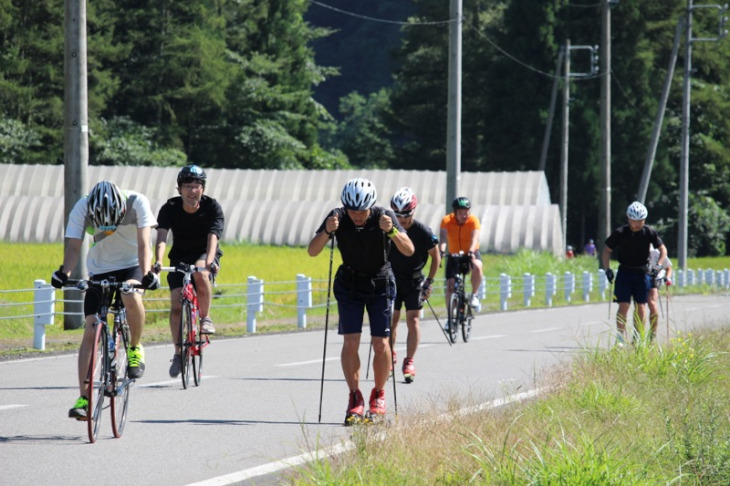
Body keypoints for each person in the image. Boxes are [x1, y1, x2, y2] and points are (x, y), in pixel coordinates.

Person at [307, 178, 414, 425]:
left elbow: (408, 250)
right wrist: (327, 231)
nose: (357, 216)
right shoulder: (337, 216)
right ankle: (355, 397)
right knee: (351, 342)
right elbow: (313, 251)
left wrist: (392, 231)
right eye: (352, 211)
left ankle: (379, 393)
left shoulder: (384, 216)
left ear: (371, 206)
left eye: (362, 211)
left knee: (380, 343)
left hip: (380, 283)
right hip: (350, 284)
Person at [51, 181, 159, 420]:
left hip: (133, 265)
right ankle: (84, 398)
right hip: (100, 269)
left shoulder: (137, 202)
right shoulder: (82, 207)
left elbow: (144, 243)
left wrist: (148, 273)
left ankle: (135, 348)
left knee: (129, 293)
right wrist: (65, 273)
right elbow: (74, 245)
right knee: (90, 329)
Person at [154, 165, 224, 378]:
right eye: (187, 186)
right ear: (179, 188)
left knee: (201, 274)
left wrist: (210, 261)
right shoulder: (170, 208)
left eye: (196, 186)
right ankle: (178, 352)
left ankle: (205, 318)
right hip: (179, 257)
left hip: (205, 254)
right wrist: (157, 261)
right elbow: (162, 237)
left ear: (202, 189)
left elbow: (213, 237)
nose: (192, 190)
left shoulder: (212, 207)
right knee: (176, 304)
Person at [387, 187, 440, 384]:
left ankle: (409, 360)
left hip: (414, 281)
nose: (401, 219)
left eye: (406, 215)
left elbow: (436, 257)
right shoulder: (388, 229)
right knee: (391, 321)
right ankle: (390, 354)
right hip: (391, 279)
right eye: (397, 214)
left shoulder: (423, 231)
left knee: (413, 320)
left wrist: (429, 282)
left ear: (414, 210)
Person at [601, 201, 667, 346]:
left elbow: (663, 250)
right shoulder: (620, 232)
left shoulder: (649, 232)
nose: (636, 224)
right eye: (633, 220)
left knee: (641, 306)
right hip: (624, 272)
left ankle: (638, 336)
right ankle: (620, 337)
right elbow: (606, 250)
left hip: (642, 273)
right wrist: (607, 269)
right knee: (623, 305)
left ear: (644, 220)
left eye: (640, 221)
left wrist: (659, 265)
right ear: (628, 219)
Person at [439, 196, 484, 310]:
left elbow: (475, 238)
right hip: (454, 255)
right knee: (450, 286)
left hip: (470, 252)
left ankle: (474, 294)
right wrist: (442, 251)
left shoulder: (473, 220)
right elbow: (443, 238)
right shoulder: (446, 221)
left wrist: (470, 251)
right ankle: (451, 318)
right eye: (460, 213)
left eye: (466, 212)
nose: (464, 216)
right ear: (454, 213)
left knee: (477, 267)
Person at [647, 244, 673, 342]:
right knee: (639, 306)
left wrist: (668, 277)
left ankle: (652, 334)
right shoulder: (636, 252)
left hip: (655, 279)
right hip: (640, 279)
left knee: (652, 303)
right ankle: (637, 334)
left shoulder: (657, 253)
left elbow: (668, 267)